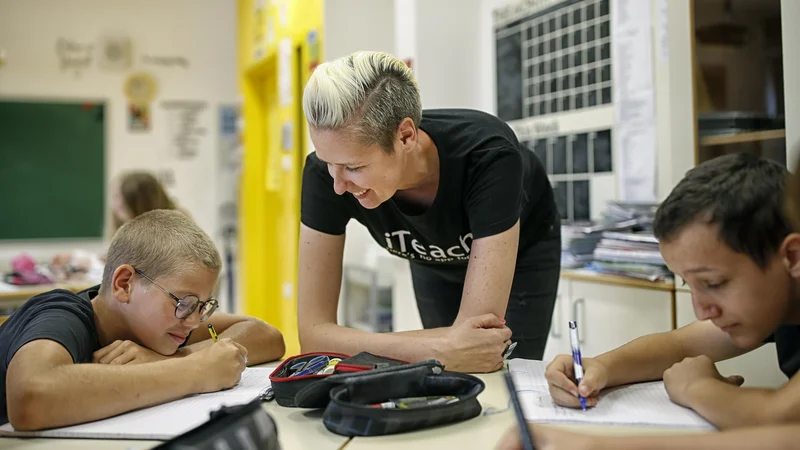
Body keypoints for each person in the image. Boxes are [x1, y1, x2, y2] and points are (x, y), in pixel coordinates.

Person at [497, 153, 800, 448]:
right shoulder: (774, 302)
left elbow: (781, 418)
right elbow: (680, 345)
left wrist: (697, 387)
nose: (702, 310)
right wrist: (600, 367)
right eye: (688, 284)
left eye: (714, 283)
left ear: (792, 257)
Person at [298, 51, 560, 372]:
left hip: (524, 251)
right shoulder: (322, 176)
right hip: (431, 253)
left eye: (354, 167)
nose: (338, 185)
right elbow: (311, 337)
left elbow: (478, 343)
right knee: (446, 369)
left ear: (406, 136)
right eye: (329, 163)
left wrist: (355, 344)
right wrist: (440, 347)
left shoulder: (489, 153)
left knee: (504, 373)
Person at [1, 210, 285, 430]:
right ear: (125, 284)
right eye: (184, 303)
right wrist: (194, 371)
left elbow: (266, 336)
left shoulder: (158, 327)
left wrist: (167, 360)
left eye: (202, 306)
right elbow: (30, 396)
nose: (194, 321)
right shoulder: (61, 315)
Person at [50, 171, 187, 281]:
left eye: (118, 196)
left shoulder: (168, 226)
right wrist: (75, 257)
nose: (115, 204)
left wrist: (90, 264)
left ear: (137, 200)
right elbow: (112, 259)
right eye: (115, 196)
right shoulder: (134, 226)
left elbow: (138, 273)